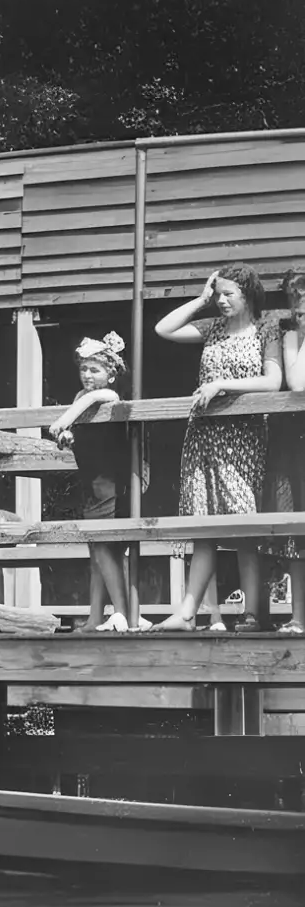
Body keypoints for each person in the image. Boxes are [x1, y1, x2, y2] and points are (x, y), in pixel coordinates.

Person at [151, 265, 282, 632]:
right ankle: (187, 614)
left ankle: (252, 613)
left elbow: (273, 382)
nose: (221, 301)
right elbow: (163, 329)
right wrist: (201, 299)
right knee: (203, 522)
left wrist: (222, 384)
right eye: (218, 294)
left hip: (243, 438)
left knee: (243, 523)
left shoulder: (266, 328)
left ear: (248, 295)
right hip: (204, 436)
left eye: (228, 294)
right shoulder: (212, 328)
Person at [46, 333, 134, 633]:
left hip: (109, 483)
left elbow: (95, 399)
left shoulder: (108, 395)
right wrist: (66, 434)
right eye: (83, 368)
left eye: (95, 369)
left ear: (111, 375)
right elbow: (74, 428)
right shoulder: (79, 398)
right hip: (90, 483)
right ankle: (96, 615)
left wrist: (63, 419)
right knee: (95, 551)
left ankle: (121, 612)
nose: (87, 374)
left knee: (104, 549)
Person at [252, 270, 305, 634]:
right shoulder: (290, 338)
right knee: (296, 530)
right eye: (297, 307)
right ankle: (298, 617)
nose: (300, 313)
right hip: (293, 442)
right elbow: (297, 383)